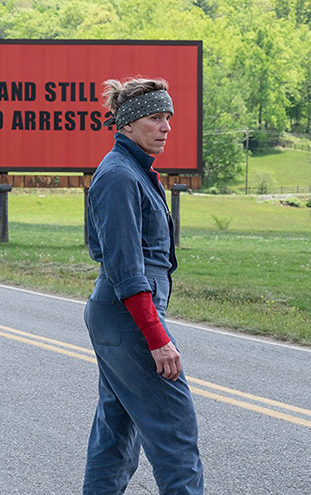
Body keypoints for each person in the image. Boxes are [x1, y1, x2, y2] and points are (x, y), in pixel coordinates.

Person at [83, 77, 204, 495]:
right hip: (128, 316)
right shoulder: (119, 176)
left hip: (122, 315)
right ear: (128, 124)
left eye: (168, 117)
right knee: (175, 433)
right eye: (156, 117)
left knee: (116, 434)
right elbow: (126, 269)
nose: (166, 126)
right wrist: (156, 337)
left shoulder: (134, 171)